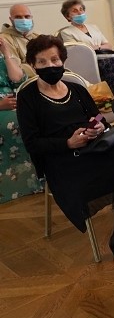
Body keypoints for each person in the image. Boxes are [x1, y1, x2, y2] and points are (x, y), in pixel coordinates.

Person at [17, 35, 114, 259]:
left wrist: (98, 127)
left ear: (63, 60)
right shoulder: (27, 97)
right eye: (42, 62)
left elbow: (99, 118)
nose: (50, 66)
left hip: (93, 150)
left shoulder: (77, 89)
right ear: (33, 65)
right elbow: (32, 143)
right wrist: (68, 142)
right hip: (63, 161)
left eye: (54, 59)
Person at [58, 0, 114, 94]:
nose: (79, 12)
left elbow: (108, 45)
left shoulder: (94, 27)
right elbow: (76, 52)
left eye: (81, 9)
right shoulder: (66, 32)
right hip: (87, 63)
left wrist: (97, 47)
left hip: (105, 58)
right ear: (68, 16)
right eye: (75, 11)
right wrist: (95, 47)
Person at [0, 37, 41, 203]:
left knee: (40, 116)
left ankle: (47, 172)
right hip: (2, 108)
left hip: (14, 102)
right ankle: (25, 180)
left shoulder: (2, 58)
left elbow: (18, 80)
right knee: (17, 123)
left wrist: (6, 53)